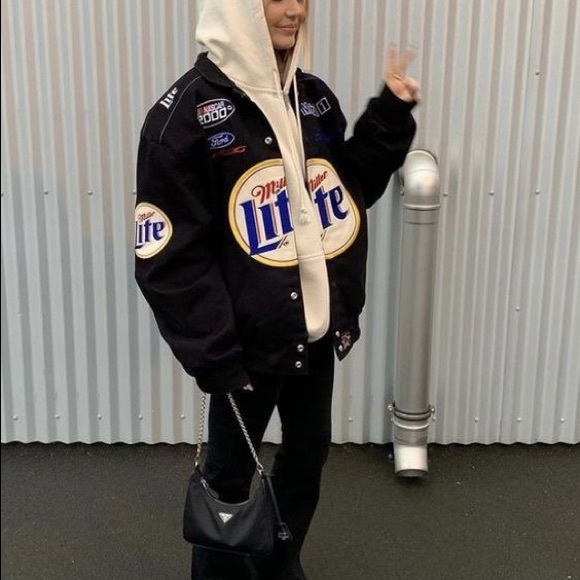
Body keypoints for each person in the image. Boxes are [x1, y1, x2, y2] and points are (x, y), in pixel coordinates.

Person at [135, 0, 420, 578]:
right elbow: (168, 258)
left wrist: (390, 114)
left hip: (314, 334)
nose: (296, 10)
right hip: (243, 350)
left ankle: (279, 561)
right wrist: (215, 354)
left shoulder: (311, 98)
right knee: (228, 480)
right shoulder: (184, 118)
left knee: (307, 456)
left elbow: (350, 188)